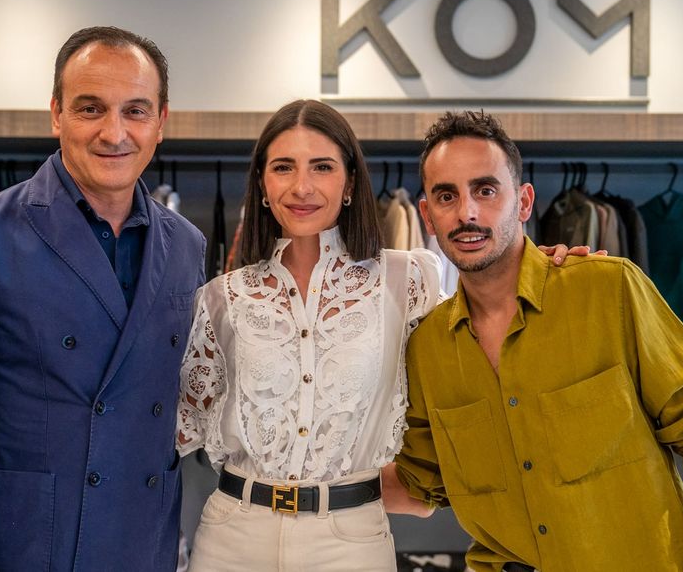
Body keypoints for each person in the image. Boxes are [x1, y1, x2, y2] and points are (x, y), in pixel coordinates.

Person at [176, 100, 584, 571]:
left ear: (350, 182)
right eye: (283, 167)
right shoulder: (221, 298)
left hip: (349, 541)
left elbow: (488, 334)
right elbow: (176, 424)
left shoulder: (408, 280)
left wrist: (551, 270)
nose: (302, 186)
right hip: (232, 536)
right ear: (263, 185)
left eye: (322, 167)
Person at [0, 26, 206, 572]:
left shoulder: (187, 245)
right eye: (90, 109)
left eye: (135, 111)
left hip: (143, 550)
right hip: (24, 553)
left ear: (161, 122)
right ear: (57, 114)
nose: (114, 132)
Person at [389, 110, 683, 572]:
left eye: (485, 190)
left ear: (523, 202)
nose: (467, 213)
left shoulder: (609, 290)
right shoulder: (428, 348)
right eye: (446, 196)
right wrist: (306, 493)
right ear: (427, 216)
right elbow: (420, 484)